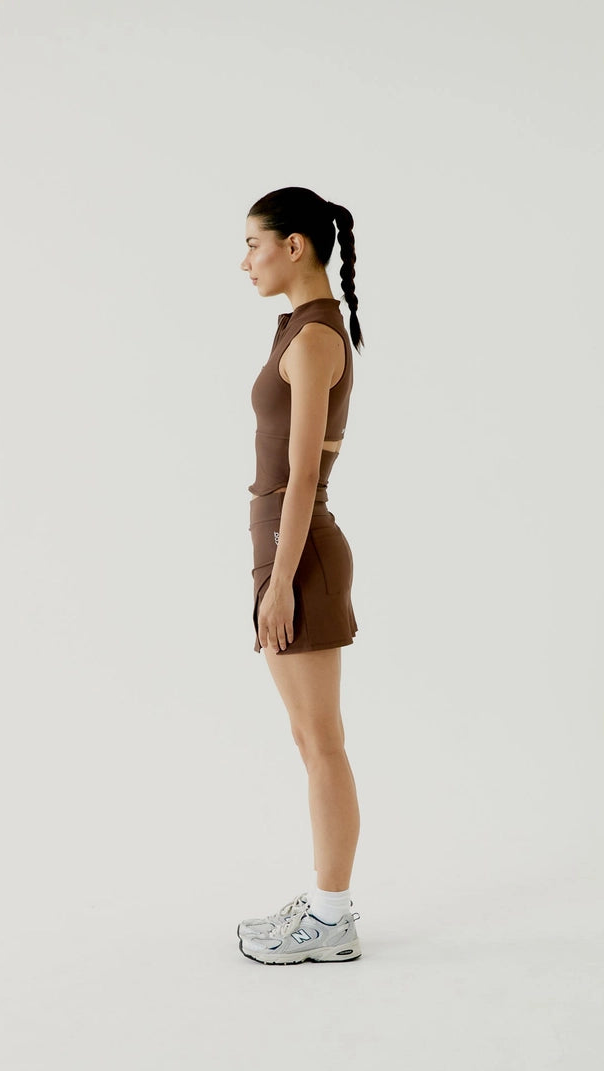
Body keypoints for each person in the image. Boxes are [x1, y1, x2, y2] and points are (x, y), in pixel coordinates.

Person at [236, 186, 365, 965]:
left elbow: (303, 479)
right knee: (307, 735)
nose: (245, 261)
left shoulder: (315, 338)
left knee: (323, 742)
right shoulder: (297, 330)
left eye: (253, 243)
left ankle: (332, 916)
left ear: (296, 245)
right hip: (283, 544)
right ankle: (325, 902)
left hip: (300, 549)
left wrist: (281, 582)